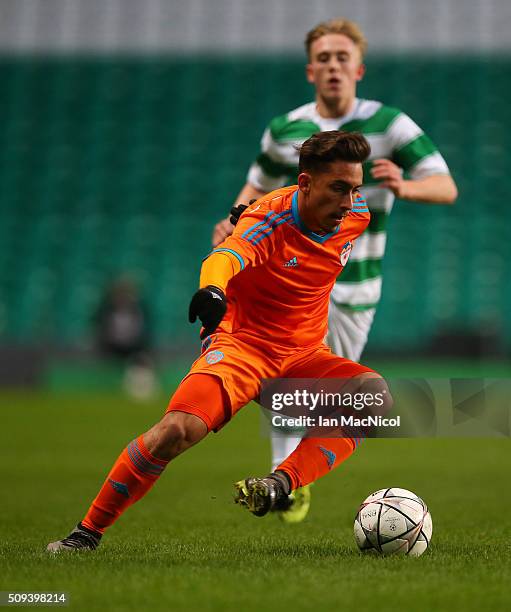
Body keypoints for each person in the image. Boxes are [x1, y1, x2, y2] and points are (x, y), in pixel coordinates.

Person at [47, 131, 392, 552]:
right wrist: (213, 291)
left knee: (373, 397)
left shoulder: (356, 214)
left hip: (303, 356)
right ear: (304, 184)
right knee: (175, 430)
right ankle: (85, 533)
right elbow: (224, 257)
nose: (348, 200)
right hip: (243, 350)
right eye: (339, 187)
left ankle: (279, 484)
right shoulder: (268, 220)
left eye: (354, 188)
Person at [212, 18, 457, 522]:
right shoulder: (284, 130)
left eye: (341, 58)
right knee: (289, 378)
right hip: (293, 280)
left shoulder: (391, 125)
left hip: (354, 286)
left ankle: (288, 474)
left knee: (322, 396)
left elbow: (445, 185)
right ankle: (285, 479)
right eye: (323, 59)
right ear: (310, 71)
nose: (333, 67)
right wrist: (233, 225)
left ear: (358, 69)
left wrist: (404, 186)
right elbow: (252, 191)